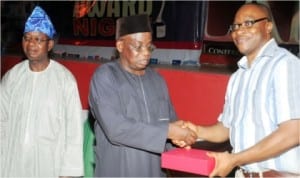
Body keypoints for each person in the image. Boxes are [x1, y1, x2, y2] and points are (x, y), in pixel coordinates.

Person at [178, 2, 300, 178]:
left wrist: (235, 159)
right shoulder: (238, 77)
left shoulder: (285, 65)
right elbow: (226, 129)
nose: (239, 31)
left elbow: (293, 132)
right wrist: (195, 131)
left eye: (249, 23)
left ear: (268, 26)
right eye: (235, 26)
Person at [88, 14, 197, 177]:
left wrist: (180, 142)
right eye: (137, 47)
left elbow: (170, 124)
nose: (146, 53)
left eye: (149, 46)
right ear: (119, 45)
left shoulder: (157, 80)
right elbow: (116, 129)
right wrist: (168, 132)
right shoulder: (106, 76)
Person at [0, 6, 84, 177]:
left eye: (38, 39)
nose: (31, 44)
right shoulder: (12, 77)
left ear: (50, 44)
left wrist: (69, 172)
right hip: (13, 162)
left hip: (49, 164)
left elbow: (74, 131)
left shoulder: (64, 80)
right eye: (27, 38)